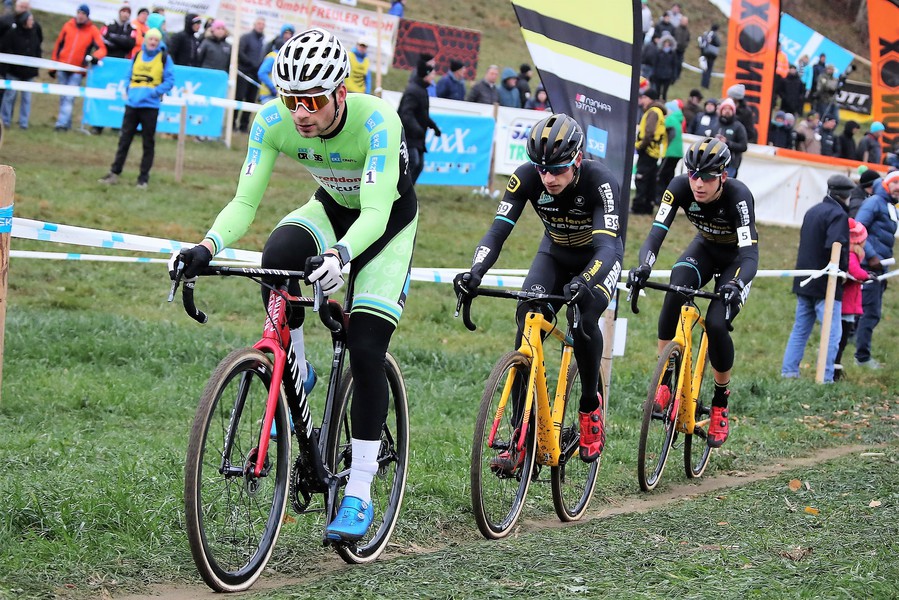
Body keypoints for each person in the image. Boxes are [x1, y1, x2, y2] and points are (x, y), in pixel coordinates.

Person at [170, 28, 418, 543]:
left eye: (312, 100)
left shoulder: (378, 121)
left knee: (366, 348)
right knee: (278, 254)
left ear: (340, 95)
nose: (300, 112)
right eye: (290, 99)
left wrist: (342, 256)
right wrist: (206, 247)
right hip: (332, 208)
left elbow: (374, 210)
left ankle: (361, 491)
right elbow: (245, 203)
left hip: (386, 222)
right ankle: (297, 369)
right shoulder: (271, 121)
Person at [454, 113, 623, 464]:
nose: (548, 178)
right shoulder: (526, 178)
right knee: (527, 321)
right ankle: (522, 434)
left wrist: (585, 281)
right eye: (542, 169)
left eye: (558, 169)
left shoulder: (601, 181)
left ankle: (590, 406)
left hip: (597, 257)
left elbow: (607, 247)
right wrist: (475, 272)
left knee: (584, 320)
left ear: (577, 159)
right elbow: (498, 231)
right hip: (555, 253)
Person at [628, 138, 758, 448]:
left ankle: (719, 402)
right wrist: (644, 266)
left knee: (715, 324)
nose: (699, 183)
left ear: (723, 177)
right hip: (704, 250)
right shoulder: (679, 187)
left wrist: (736, 284)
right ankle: (665, 380)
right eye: (694, 175)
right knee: (675, 287)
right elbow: (656, 233)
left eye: (708, 177)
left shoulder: (739, 196)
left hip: (736, 261)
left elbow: (750, 255)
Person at [780, 175, 852, 383]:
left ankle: (789, 372)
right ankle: (826, 377)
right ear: (846, 195)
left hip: (805, 279)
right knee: (832, 334)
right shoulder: (838, 215)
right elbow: (836, 247)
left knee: (800, 329)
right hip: (825, 284)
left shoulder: (813, 211)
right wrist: (843, 272)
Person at [97, 28, 173, 189]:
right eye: (150, 39)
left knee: (148, 143)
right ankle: (114, 173)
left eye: (155, 40)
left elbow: (169, 80)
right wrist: (127, 88)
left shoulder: (165, 58)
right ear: (146, 40)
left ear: (159, 42)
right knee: (124, 141)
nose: (152, 42)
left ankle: (143, 179)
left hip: (150, 107)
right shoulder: (138, 55)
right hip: (132, 105)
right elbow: (127, 75)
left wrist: (154, 92)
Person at [853, 170, 899, 368]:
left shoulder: (890, 206)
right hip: (868, 265)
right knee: (870, 312)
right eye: (896, 183)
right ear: (886, 183)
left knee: (863, 311)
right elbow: (857, 227)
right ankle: (862, 357)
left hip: (881, 266)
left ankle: (846, 343)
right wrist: (871, 256)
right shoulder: (874, 202)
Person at [51, 4, 107, 132]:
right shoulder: (67, 26)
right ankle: (66, 123)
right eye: (79, 13)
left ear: (87, 16)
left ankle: (61, 125)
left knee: (69, 97)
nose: (80, 16)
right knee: (63, 97)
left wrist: (93, 57)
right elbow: (58, 45)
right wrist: (53, 66)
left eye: (83, 14)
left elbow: (102, 48)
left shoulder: (92, 30)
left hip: (77, 69)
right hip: (62, 66)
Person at [833, 218, 871, 381]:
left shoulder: (853, 254)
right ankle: (834, 366)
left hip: (850, 303)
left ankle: (836, 365)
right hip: (846, 305)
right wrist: (866, 275)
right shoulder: (850, 254)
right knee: (841, 337)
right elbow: (854, 270)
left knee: (843, 337)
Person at [398, 53, 440, 184]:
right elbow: (406, 114)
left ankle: (407, 192)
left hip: (417, 137)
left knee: (419, 165)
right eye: (432, 74)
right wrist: (418, 129)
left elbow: (422, 114)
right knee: (413, 162)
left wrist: (433, 126)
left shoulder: (422, 90)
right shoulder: (413, 90)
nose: (433, 76)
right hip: (409, 136)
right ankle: (400, 192)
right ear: (426, 75)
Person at [0, 7, 40, 130]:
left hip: (29, 73)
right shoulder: (12, 33)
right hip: (14, 71)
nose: (32, 22)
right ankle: (5, 121)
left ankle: (24, 123)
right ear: (24, 21)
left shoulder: (35, 33)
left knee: (26, 99)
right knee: (9, 97)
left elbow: (37, 50)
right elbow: (6, 48)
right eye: (30, 19)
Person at [633, 87, 667, 214]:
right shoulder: (659, 112)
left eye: (644, 98)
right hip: (654, 151)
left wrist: (640, 146)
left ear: (650, 98)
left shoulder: (652, 112)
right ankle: (648, 206)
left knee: (641, 179)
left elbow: (649, 132)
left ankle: (638, 207)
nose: (642, 101)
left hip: (647, 150)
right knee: (651, 180)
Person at [234, 16, 266, 132]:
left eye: (262, 24)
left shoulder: (263, 41)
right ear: (254, 24)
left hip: (256, 75)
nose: (261, 26)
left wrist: (259, 66)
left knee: (251, 100)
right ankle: (233, 123)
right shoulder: (246, 38)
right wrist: (251, 63)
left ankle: (244, 126)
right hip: (244, 73)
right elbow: (240, 53)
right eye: (259, 23)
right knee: (239, 98)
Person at [256, 24, 295, 103]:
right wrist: (272, 88)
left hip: (280, 96)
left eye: (290, 34)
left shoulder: (288, 58)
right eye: (286, 33)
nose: (288, 36)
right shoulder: (273, 56)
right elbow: (262, 73)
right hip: (269, 96)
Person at [656, 99, 684, 203]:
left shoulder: (670, 119)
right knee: (669, 176)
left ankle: (660, 199)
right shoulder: (677, 119)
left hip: (670, 151)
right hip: (677, 152)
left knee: (661, 175)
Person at [712, 98, 748, 178]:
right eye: (725, 109)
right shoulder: (715, 125)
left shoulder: (738, 127)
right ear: (721, 111)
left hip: (731, 164)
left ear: (733, 111)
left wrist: (727, 143)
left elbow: (743, 146)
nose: (727, 111)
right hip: (715, 163)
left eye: (730, 109)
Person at [651, 34, 678, 100]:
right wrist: (654, 74)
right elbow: (655, 64)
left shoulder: (673, 54)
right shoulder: (659, 52)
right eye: (665, 43)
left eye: (668, 43)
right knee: (657, 91)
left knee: (664, 92)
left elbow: (674, 65)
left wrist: (673, 76)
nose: (666, 44)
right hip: (658, 74)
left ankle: (663, 103)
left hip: (667, 76)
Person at [698, 23, 720, 89]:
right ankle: (706, 85)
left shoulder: (706, 33)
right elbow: (718, 43)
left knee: (704, 69)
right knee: (709, 70)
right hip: (711, 55)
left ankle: (702, 84)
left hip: (705, 53)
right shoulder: (714, 35)